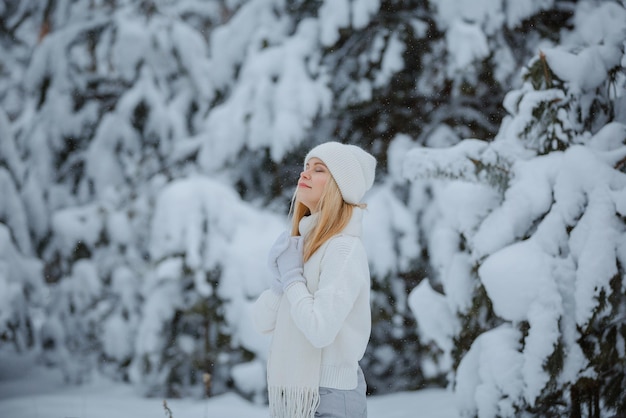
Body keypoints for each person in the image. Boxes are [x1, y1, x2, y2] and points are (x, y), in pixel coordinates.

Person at [252, 141, 376, 418]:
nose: (304, 174)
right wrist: (280, 280)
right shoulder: (304, 247)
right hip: (296, 396)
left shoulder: (343, 248)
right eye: (306, 167)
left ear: (338, 187)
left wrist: (293, 278)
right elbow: (261, 322)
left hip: (329, 398)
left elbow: (320, 329)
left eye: (318, 169)